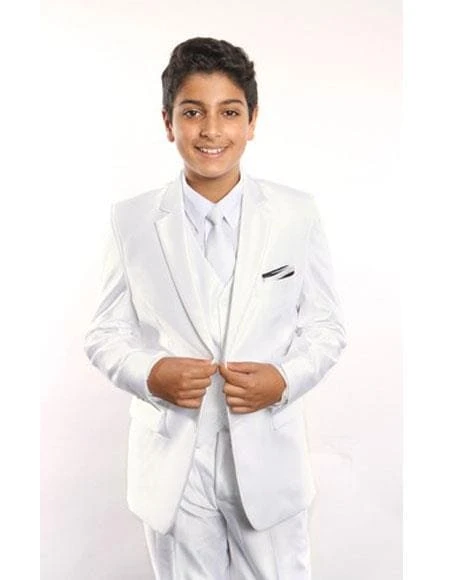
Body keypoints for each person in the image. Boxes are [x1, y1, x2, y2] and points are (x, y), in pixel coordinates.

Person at [84, 36, 346, 579]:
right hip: (174, 463)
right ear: (168, 122)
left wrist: (284, 379)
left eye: (229, 112)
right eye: (192, 112)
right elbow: (104, 332)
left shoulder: (296, 214)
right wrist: (151, 373)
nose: (210, 130)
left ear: (252, 121)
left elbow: (325, 326)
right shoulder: (130, 221)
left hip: (269, 458)